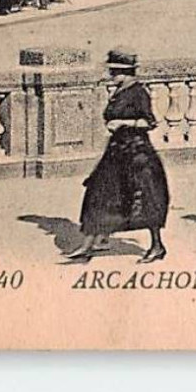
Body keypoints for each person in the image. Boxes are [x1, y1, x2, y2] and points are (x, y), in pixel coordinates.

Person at [65, 50, 169, 263]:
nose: (111, 76)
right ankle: (91, 242)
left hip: (137, 152)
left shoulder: (138, 92)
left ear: (124, 72)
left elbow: (149, 122)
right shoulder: (120, 90)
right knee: (99, 193)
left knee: (145, 198)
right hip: (116, 151)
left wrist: (123, 123)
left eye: (114, 72)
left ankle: (157, 246)